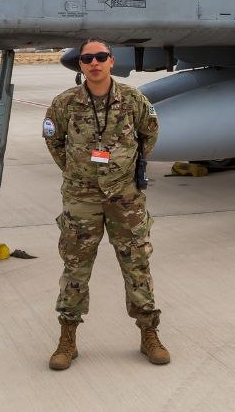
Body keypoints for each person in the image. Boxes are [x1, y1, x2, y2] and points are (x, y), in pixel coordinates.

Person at [42, 39, 168, 370]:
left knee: (137, 263)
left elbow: (149, 134)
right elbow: (54, 140)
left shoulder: (133, 99)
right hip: (81, 198)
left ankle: (149, 335)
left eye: (100, 57)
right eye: (87, 58)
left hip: (125, 196)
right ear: (81, 64)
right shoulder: (65, 103)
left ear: (111, 61)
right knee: (75, 267)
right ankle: (67, 339)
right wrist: (75, 172)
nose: (94, 63)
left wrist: (125, 169)